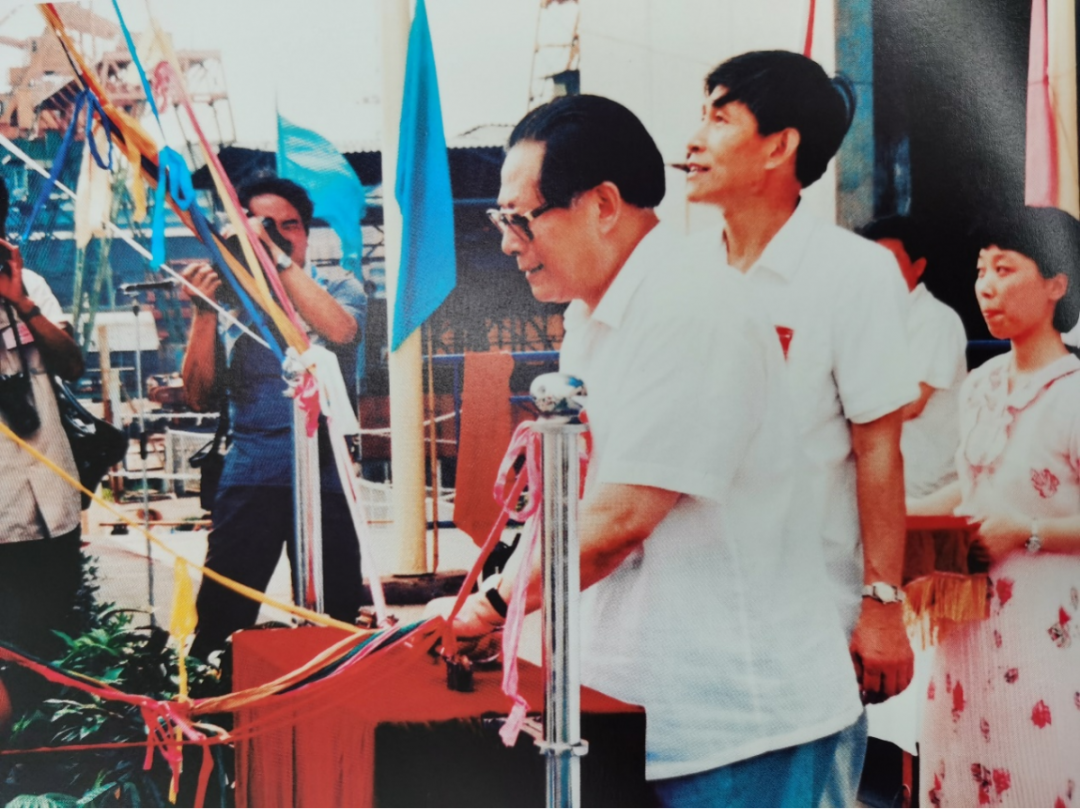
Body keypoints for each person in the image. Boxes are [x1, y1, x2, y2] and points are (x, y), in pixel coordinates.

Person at [430, 94, 862, 808]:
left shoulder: (693, 307)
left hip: (739, 725)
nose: (508, 243)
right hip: (641, 709)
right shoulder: (593, 316)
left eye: (521, 219)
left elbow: (618, 522)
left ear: (603, 204)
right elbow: (578, 507)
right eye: (501, 221)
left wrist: (489, 607)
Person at [681, 49, 920, 803]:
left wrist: (882, 608)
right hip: (689, 621)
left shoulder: (853, 274)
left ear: (779, 146)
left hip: (803, 622)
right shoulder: (680, 273)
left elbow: (878, 449)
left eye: (719, 118)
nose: (693, 139)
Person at [909, 207, 1080, 807]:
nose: (986, 285)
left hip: (1046, 636)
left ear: (1056, 283)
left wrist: (1028, 532)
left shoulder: (1073, 395)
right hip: (963, 631)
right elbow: (972, 487)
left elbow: (1016, 514)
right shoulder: (981, 384)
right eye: (982, 270)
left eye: (1005, 269)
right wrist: (901, 514)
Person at [182, 176, 367, 660]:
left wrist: (274, 260)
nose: (278, 235)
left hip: (327, 477)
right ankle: (221, 701)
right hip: (252, 474)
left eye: (290, 225)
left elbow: (341, 331)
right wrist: (204, 313)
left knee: (334, 619)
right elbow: (199, 396)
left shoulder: (337, 286)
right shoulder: (226, 299)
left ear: (306, 233)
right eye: (263, 226)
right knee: (221, 618)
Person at [0, 204, 86, 725]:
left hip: (51, 505)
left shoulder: (29, 285)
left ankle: (43, 748)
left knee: (47, 642)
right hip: (2, 511)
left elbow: (72, 364)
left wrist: (22, 303)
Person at [859, 216, 968, 498]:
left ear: (918, 267)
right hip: (878, 467)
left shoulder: (935, 320)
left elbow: (911, 404)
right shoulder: (869, 320)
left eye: (890, 260)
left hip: (922, 476)